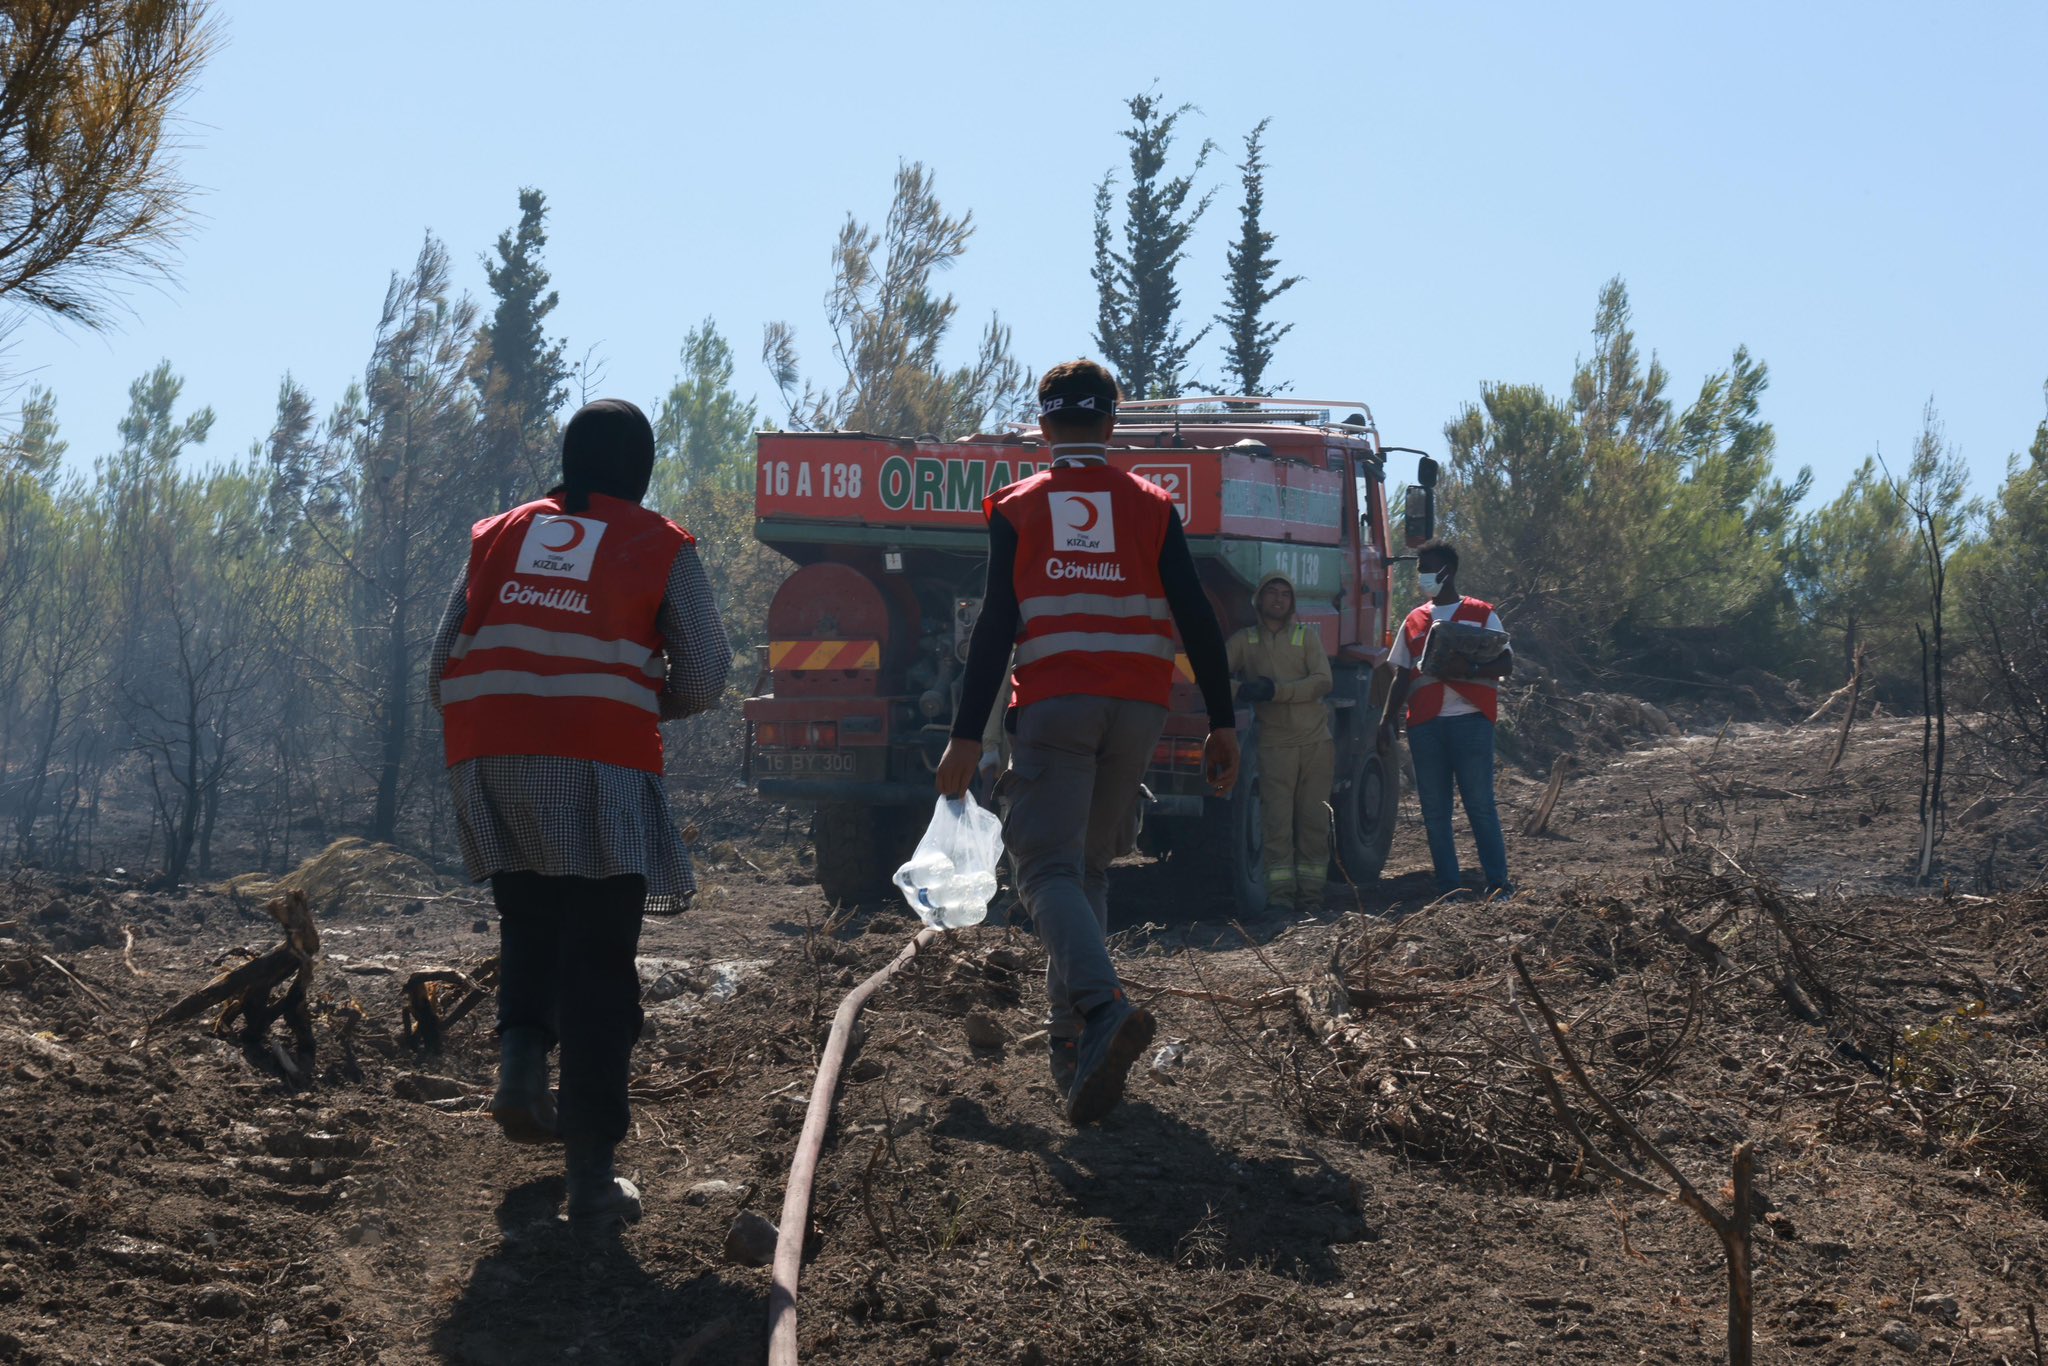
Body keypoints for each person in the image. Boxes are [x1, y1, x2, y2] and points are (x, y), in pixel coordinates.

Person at [428, 399, 730, 1230]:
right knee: (600, 963)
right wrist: (632, 700)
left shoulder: (500, 534)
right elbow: (704, 676)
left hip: (491, 755)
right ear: (641, 468)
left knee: (528, 915)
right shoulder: (659, 545)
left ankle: (521, 1068)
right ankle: (592, 1177)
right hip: (596, 762)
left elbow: (440, 660)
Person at [936, 359, 1239, 1126]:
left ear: (1044, 428)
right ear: (1111, 424)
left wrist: (966, 737)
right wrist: (1223, 720)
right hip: (1138, 709)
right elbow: (1197, 616)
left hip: (1055, 707)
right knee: (1089, 871)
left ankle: (1101, 1006)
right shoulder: (1151, 506)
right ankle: (1074, 1050)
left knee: (1042, 871)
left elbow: (996, 629)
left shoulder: (1019, 507)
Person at [1377, 539, 1513, 900]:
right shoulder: (1415, 619)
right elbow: (1401, 676)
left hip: (1471, 721)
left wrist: (1468, 667)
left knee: (1480, 806)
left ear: (1447, 571)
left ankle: (1499, 885)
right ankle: (1448, 890)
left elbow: (1506, 664)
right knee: (1435, 814)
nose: (1421, 575)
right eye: (1419, 568)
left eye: (1426, 568)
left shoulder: (1482, 613)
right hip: (1426, 726)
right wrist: (1387, 721)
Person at [1228, 573, 1335, 913]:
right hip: (1275, 747)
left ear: (1292, 603)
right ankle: (1280, 902)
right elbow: (1208, 672)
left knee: (1313, 824)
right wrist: (1239, 690)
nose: (1278, 599)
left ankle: (1311, 901)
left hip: (1316, 744)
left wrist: (1277, 691)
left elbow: (1323, 682)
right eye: (1271, 593)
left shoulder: (1306, 637)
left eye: (1285, 594)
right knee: (1276, 826)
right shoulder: (1245, 641)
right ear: (1259, 600)